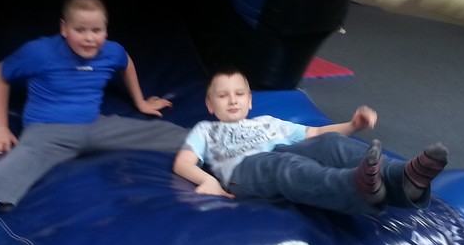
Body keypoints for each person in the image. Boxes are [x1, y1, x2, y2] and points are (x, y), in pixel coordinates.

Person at [0, 0, 186, 227]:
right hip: (47, 130)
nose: (89, 38)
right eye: (80, 30)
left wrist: (141, 102)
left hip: (94, 125)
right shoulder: (39, 52)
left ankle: (206, 143)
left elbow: (125, 62)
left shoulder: (111, 51)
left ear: (105, 30)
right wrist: (0, 126)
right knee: (24, 158)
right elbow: (1, 72)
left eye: (96, 31)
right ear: (64, 28)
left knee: (158, 132)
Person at [173, 69, 448, 214]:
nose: (232, 100)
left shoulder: (267, 121)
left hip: (280, 149)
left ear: (250, 100)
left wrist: (353, 125)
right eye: (223, 96)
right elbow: (183, 163)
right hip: (244, 170)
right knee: (285, 165)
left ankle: (402, 179)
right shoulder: (206, 129)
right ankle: (356, 186)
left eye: (239, 94)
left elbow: (314, 134)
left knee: (330, 144)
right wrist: (208, 181)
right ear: (210, 105)